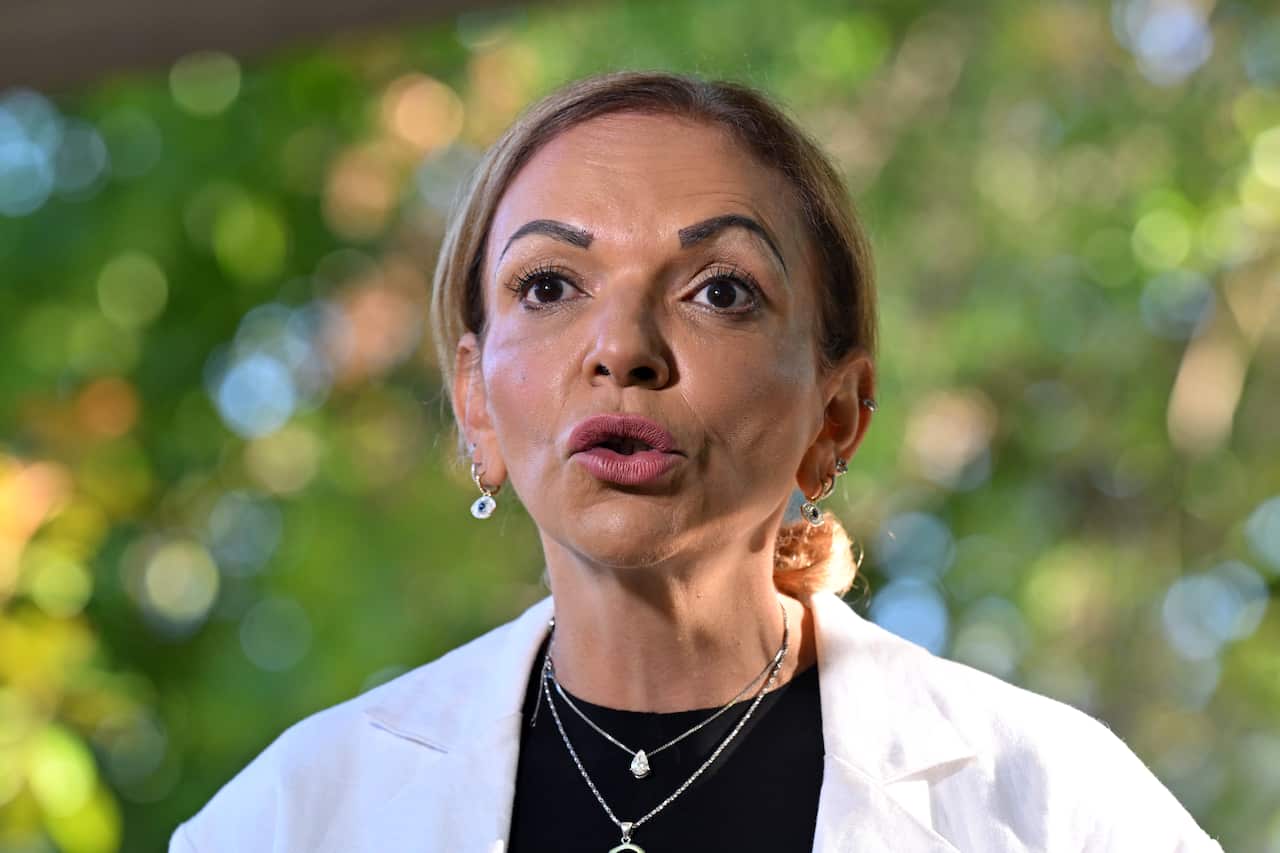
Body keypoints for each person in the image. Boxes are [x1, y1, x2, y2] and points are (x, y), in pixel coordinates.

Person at [169, 70, 1224, 852]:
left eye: (717, 289)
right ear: (471, 402)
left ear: (835, 416)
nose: (620, 347)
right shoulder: (292, 815)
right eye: (549, 286)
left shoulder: (1059, 808)